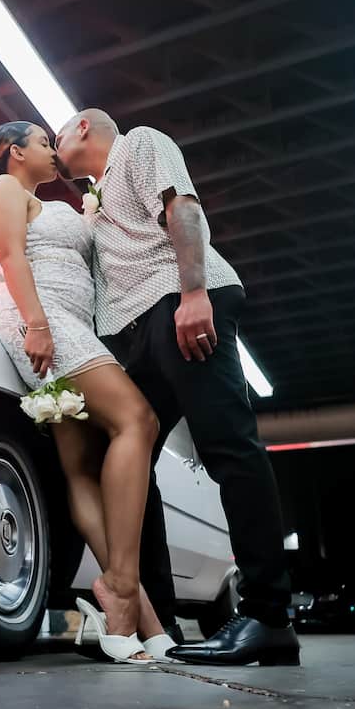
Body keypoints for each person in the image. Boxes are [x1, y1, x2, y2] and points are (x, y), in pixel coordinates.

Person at [56, 108, 300, 667]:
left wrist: (195, 293)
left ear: (86, 128)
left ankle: (269, 616)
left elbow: (183, 208)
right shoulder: (91, 205)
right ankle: (157, 623)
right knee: (129, 457)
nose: (55, 143)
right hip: (131, 329)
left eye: (59, 134)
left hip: (175, 304)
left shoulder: (140, 143)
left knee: (228, 447)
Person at [0, 121, 173, 663]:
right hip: (44, 321)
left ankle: (142, 620)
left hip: (72, 322)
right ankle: (122, 592)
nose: (51, 150)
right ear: (15, 153)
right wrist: (37, 325)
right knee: (137, 419)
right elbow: (13, 258)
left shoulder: (48, 200)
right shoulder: (5, 189)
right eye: (41, 141)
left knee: (81, 466)